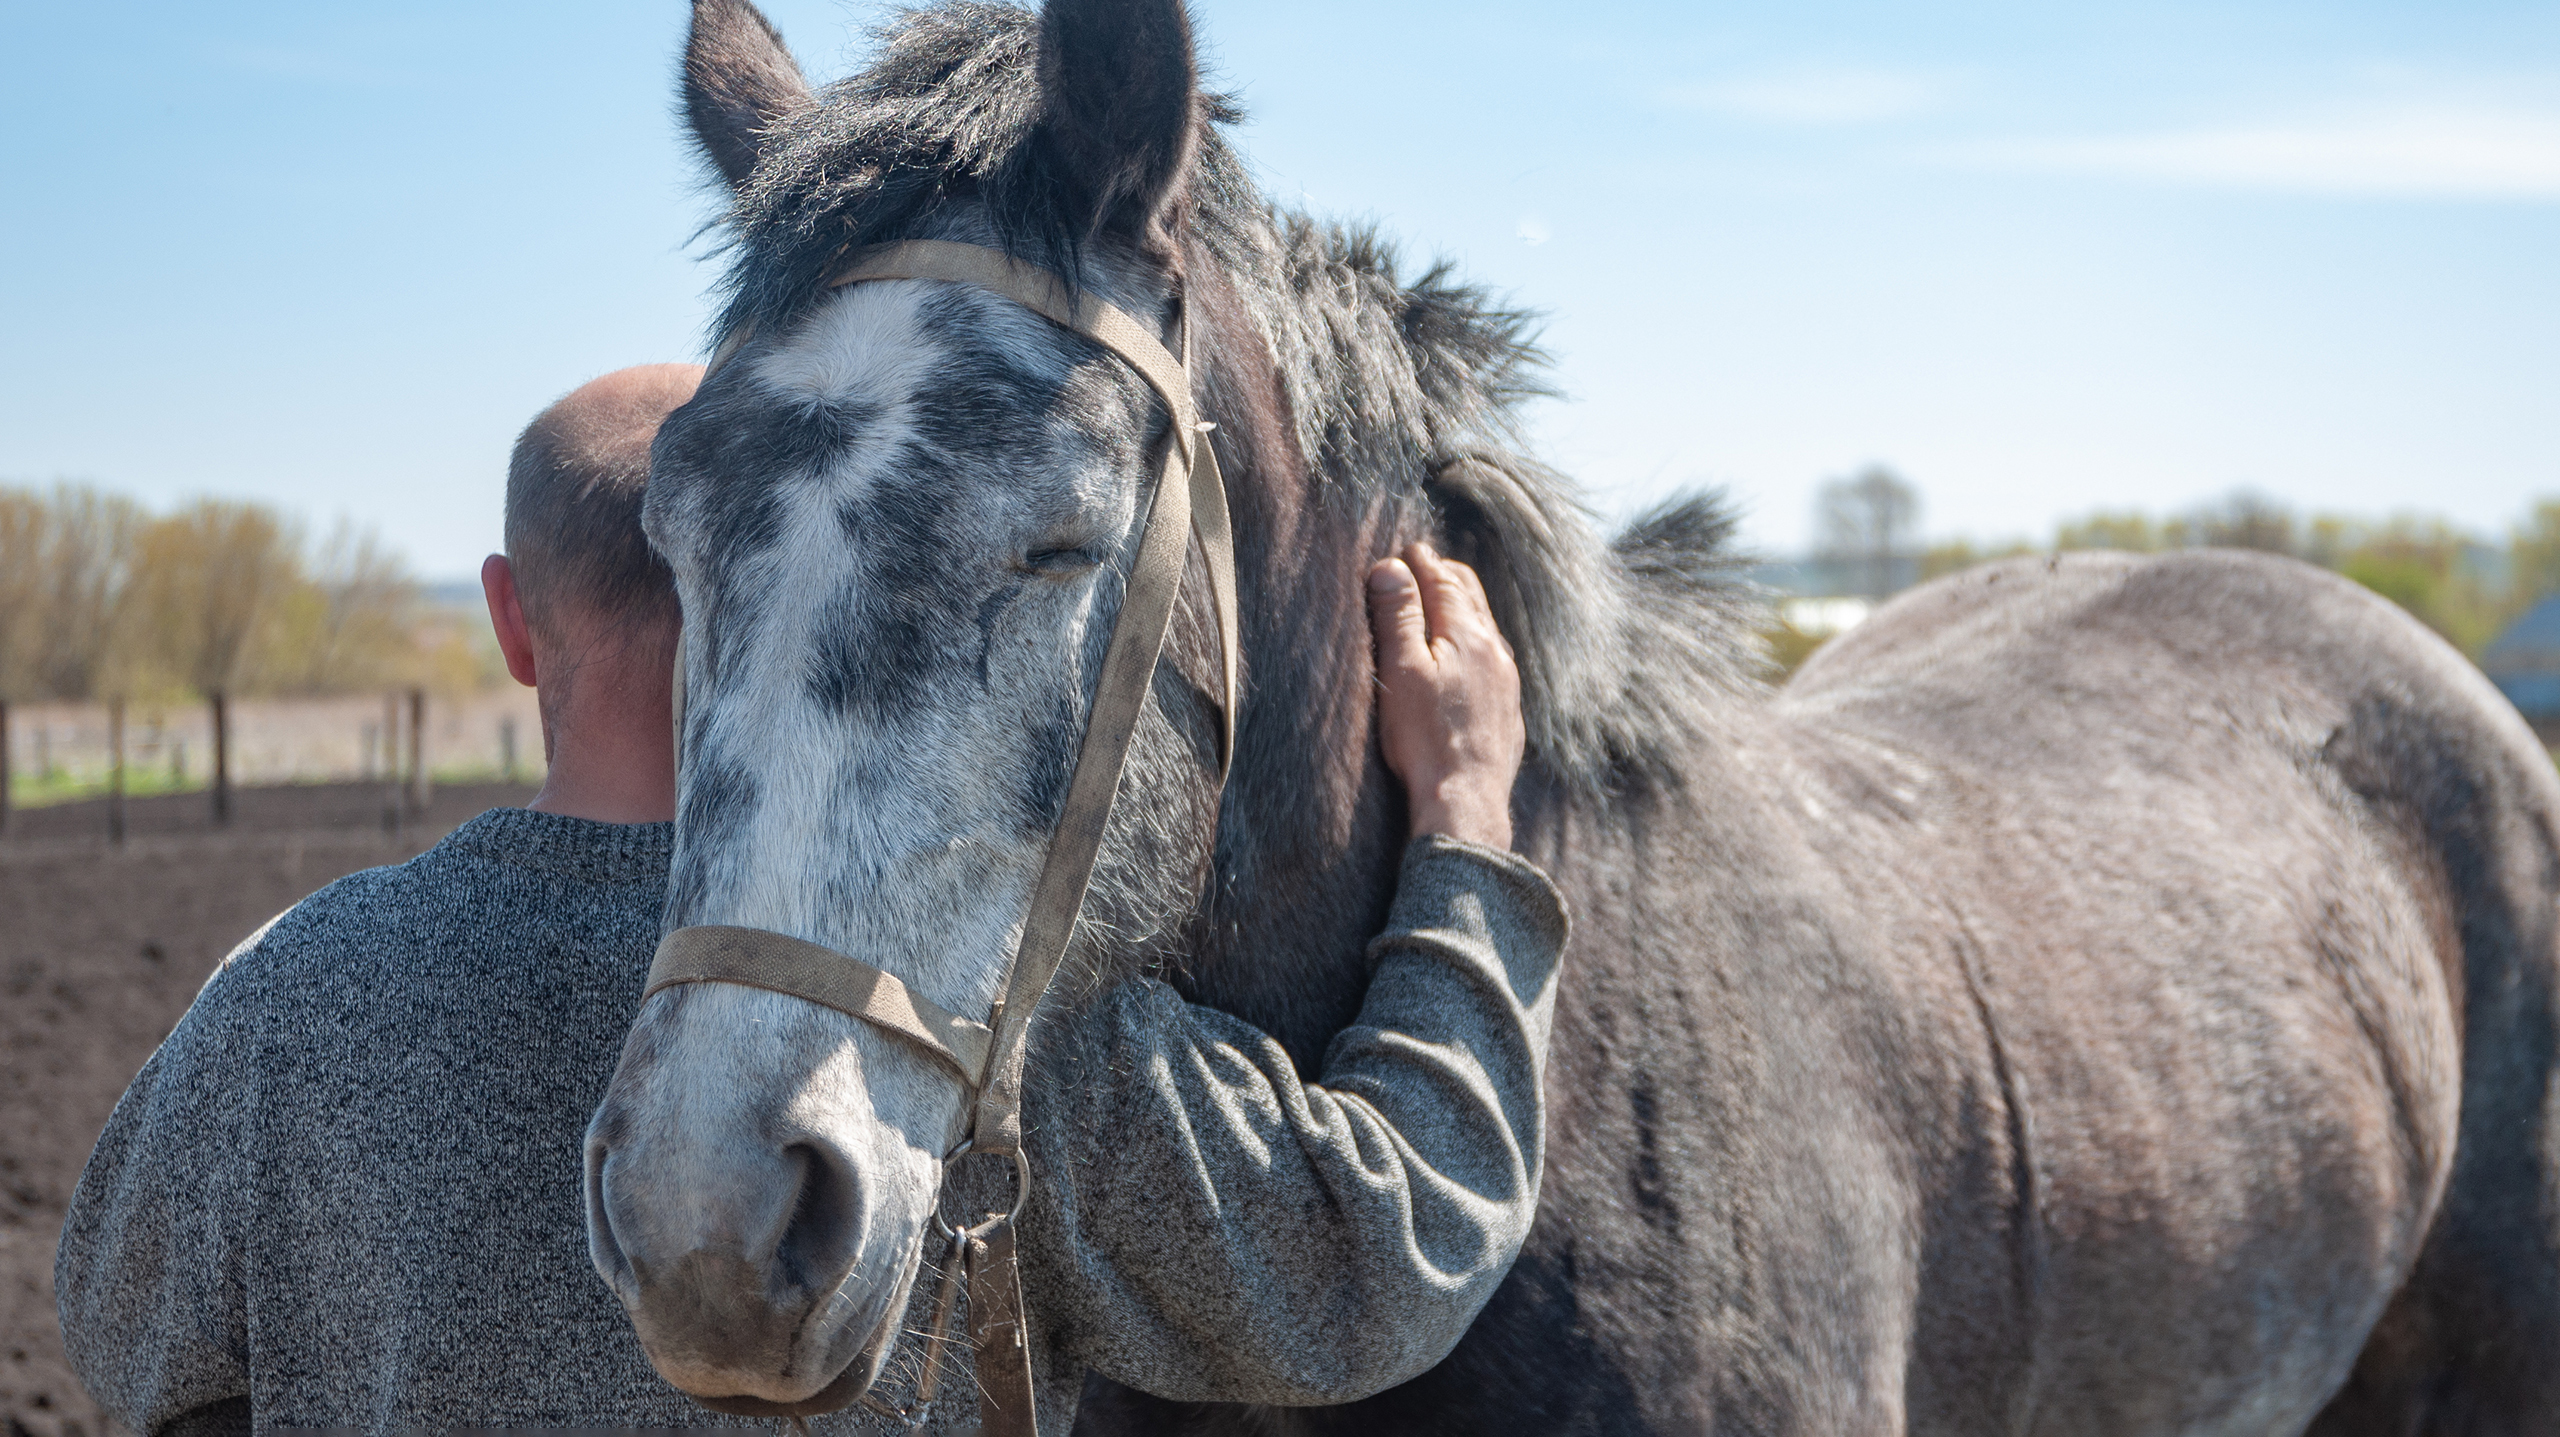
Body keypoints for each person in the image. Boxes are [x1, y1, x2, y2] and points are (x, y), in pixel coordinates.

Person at [56, 365, 1565, 1434]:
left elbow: (125, 1350)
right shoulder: (1001, 1045)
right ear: (786, 580)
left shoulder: (282, 996)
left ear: (512, 622)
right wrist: (1467, 813)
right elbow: (1387, 1248)